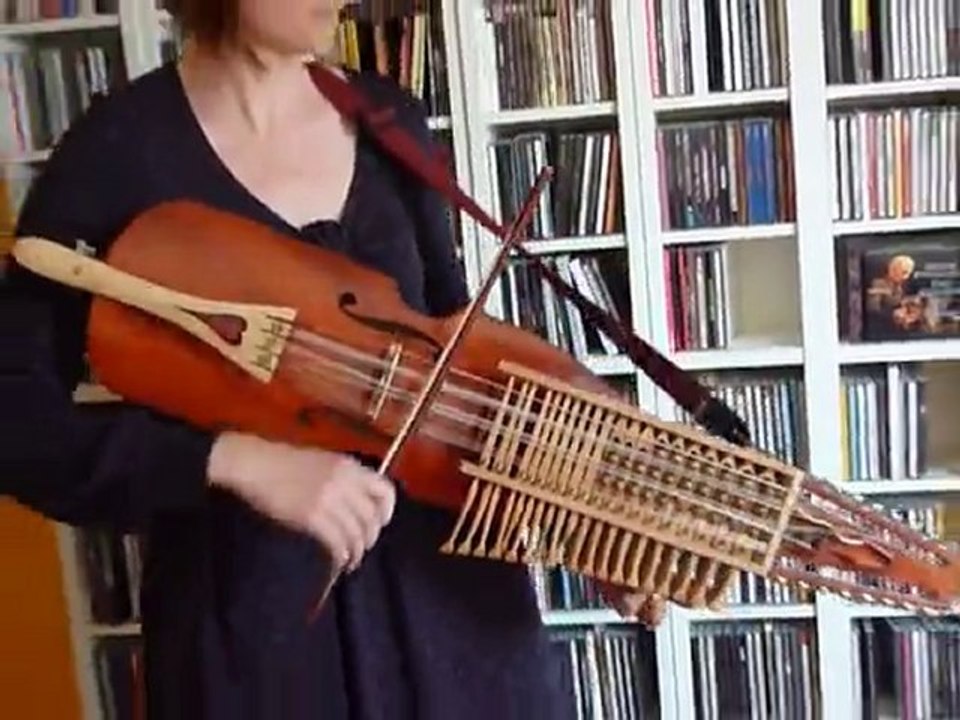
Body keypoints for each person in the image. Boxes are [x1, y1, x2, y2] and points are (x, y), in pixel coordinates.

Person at [1, 1, 653, 718]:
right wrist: (234, 461)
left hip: (454, 627)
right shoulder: (116, 152)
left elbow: (459, 364)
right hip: (253, 638)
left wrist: (589, 522)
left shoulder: (387, 122)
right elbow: (16, 417)